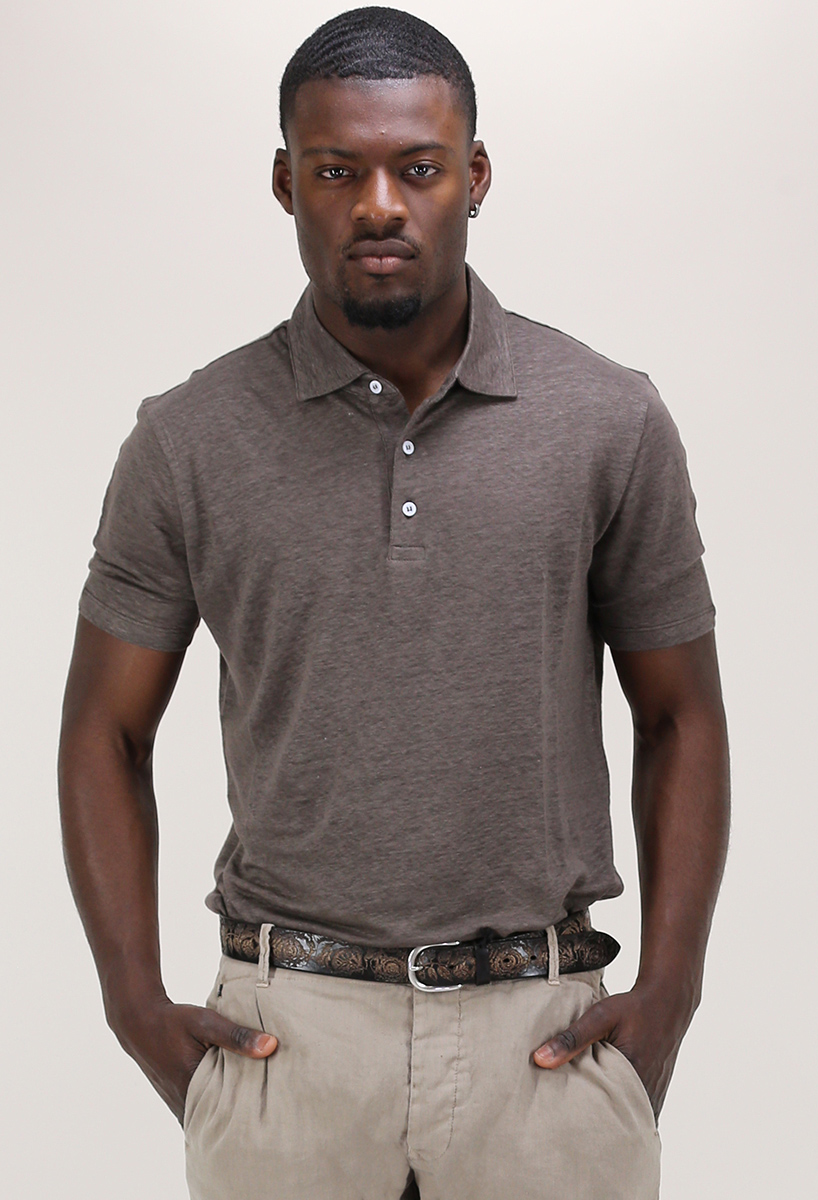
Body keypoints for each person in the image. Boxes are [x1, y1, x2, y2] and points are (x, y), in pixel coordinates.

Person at [58, 7, 730, 1199]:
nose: (379, 206)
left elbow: (679, 713)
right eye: (336, 172)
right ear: (285, 183)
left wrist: (668, 991)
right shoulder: (188, 439)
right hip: (287, 1038)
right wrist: (131, 1003)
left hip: (542, 1036)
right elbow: (104, 731)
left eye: (417, 169)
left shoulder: (606, 417)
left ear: (474, 176)